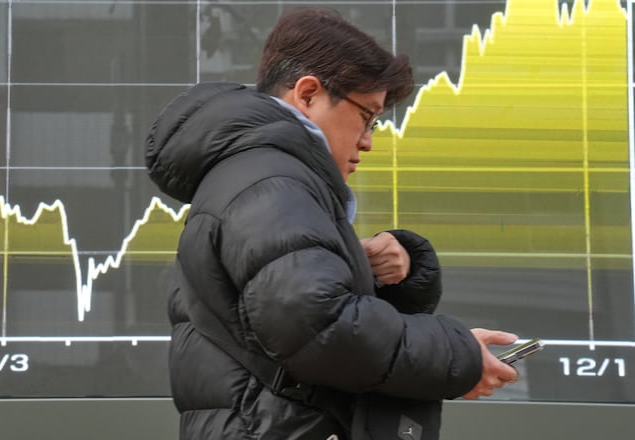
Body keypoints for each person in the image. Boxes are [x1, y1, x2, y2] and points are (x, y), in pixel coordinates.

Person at [145, 7, 519, 440]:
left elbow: (280, 306)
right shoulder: (271, 181)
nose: (369, 141)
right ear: (307, 94)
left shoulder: (254, 175)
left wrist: (375, 267)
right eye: (366, 116)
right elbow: (320, 327)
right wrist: (457, 357)